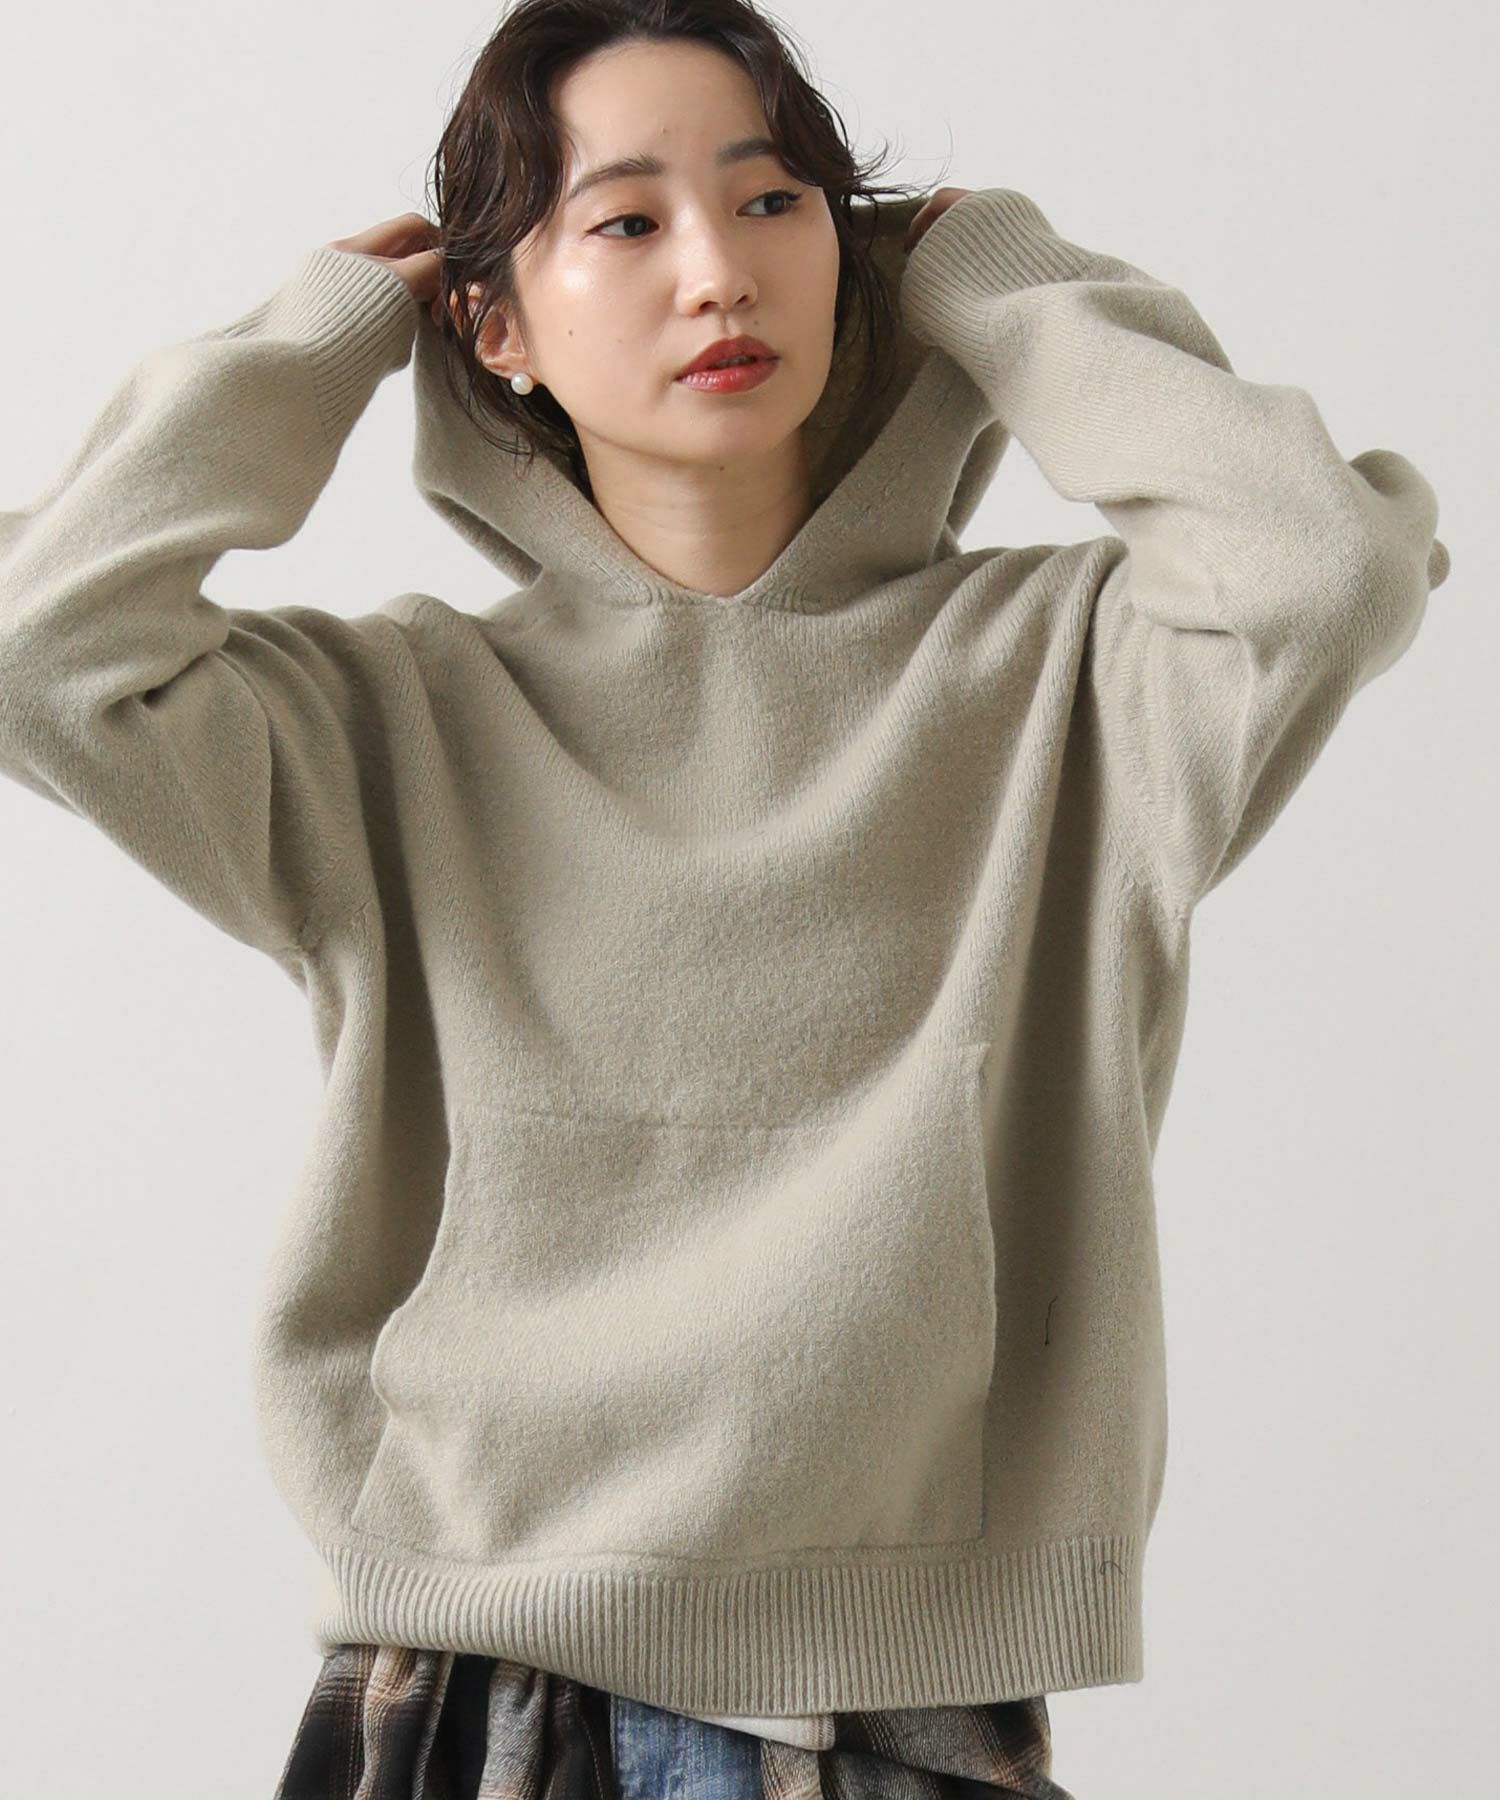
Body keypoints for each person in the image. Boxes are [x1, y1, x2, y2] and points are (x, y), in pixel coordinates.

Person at [0, 0, 1448, 1795]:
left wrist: (1001, 282)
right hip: (481, 1673)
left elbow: (1322, 568)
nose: (720, 273)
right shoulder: (388, 718)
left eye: (774, 203)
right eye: (626, 218)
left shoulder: (1074, 677)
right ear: (493, 322)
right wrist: (317, 340)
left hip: (898, 1688)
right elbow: (40, 651)